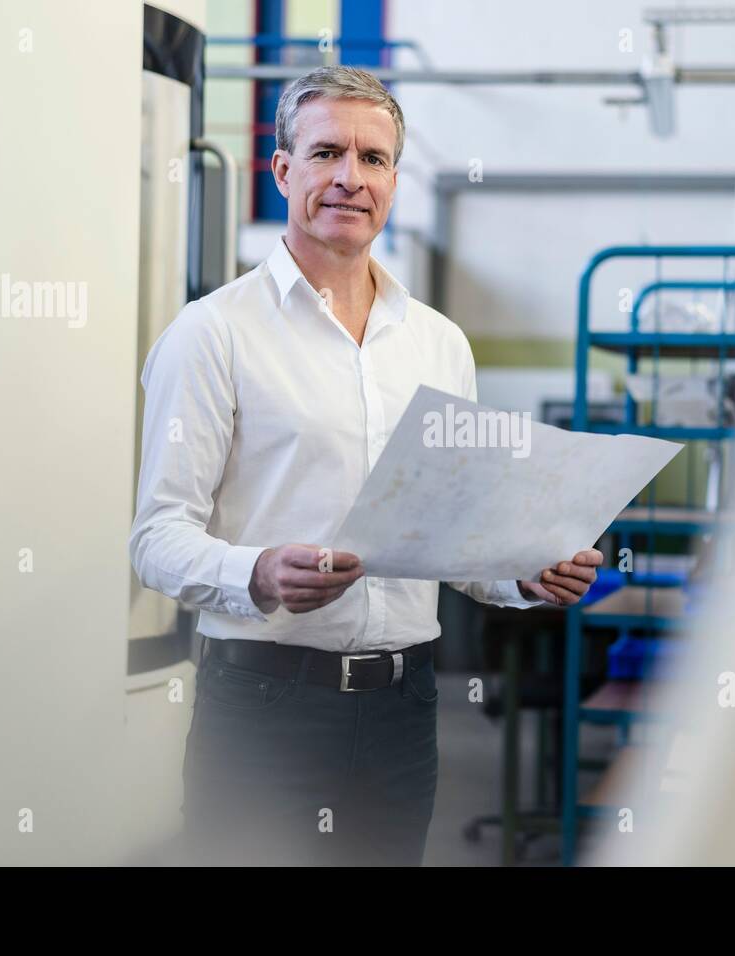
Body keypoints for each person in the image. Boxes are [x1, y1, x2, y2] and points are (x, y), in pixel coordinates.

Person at [129, 66, 602, 866]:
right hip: (264, 706)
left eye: (374, 159)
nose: (351, 178)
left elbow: (457, 534)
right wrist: (257, 572)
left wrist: (525, 572)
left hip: (402, 711)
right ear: (283, 171)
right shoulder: (213, 335)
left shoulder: (438, 343)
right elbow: (155, 537)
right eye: (326, 153)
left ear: (393, 181)